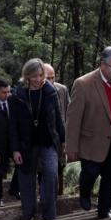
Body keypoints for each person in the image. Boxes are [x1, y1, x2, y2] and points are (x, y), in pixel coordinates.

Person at [65, 47, 111, 219]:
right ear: (102, 64)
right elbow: (73, 118)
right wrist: (71, 147)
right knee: (90, 173)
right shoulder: (83, 84)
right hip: (91, 141)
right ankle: (85, 192)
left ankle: (104, 211)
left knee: (110, 177)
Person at [9, 59, 67, 220]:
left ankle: (49, 215)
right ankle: (29, 215)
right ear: (26, 76)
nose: (39, 79)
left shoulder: (50, 91)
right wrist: (15, 150)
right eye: (34, 76)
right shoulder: (17, 95)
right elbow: (12, 125)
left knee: (50, 173)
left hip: (48, 141)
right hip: (25, 144)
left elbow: (58, 119)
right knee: (27, 179)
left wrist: (63, 141)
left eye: (41, 75)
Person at [44, 63, 70, 196]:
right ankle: (47, 196)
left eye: (53, 78)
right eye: (47, 78)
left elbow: (68, 111)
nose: (51, 81)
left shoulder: (62, 89)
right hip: (45, 138)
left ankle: (59, 196)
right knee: (45, 169)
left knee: (60, 166)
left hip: (60, 136)